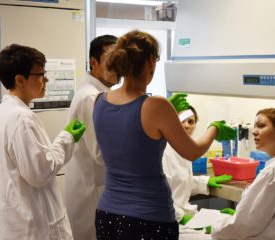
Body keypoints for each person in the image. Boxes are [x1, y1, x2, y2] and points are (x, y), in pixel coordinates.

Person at [92, 29, 236, 240]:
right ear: (151, 61)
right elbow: (193, 151)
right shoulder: (156, 105)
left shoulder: (100, 101)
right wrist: (213, 128)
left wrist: (168, 110)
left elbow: (131, 137)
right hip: (148, 217)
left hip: (108, 214)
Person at [0, 44, 86, 240]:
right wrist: (66, 138)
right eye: (40, 74)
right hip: (35, 226)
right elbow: (41, 173)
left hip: (14, 223)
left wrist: (7, 170)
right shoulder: (22, 118)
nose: (46, 80)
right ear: (20, 79)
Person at [211, 108, 275, 240]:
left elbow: (242, 226)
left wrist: (215, 228)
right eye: (255, 127)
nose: (254, 131)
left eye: (261, 126)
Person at [64, 34, 118, 240]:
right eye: (110, 58)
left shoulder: (100, 93)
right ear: (93, 62)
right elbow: (100, 152)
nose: (116, 66)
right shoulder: (91, 97)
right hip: (91, 193)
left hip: (95, 189)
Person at [162, 105, 232, 227]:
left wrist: (205, 181)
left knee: (225, 222)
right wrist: (181, 217)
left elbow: (179, 182)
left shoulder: (183, 148)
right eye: (181, 120)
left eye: (191, 121)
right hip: (170, 219)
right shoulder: (163, 151)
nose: (186, 125)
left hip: (184, 214)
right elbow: (159, 194)